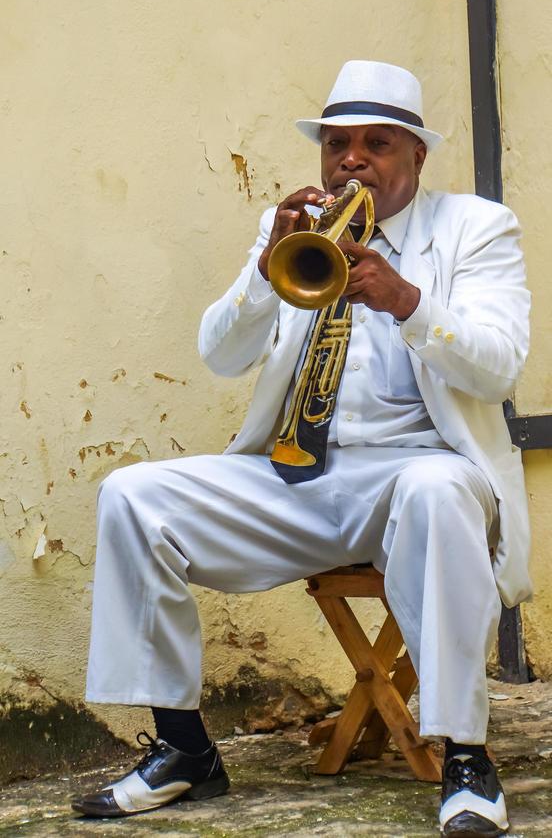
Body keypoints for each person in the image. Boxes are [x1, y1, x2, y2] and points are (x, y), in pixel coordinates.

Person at [72, 61, 530, 837]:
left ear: (416, 157)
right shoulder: (291, 230)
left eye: (376, 144)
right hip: (299, 473)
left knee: (436, 488)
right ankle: (185, 752)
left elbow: (500, 362)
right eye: (337, 143)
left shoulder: (476, 228)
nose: (351, 160)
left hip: (420, 472)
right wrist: (263, 269)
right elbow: (220, 355)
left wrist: (407, 301)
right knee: (133, 495)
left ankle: (465, 758)